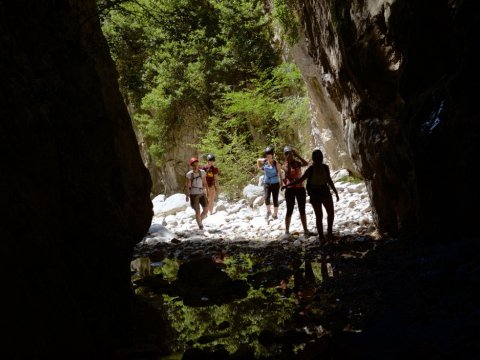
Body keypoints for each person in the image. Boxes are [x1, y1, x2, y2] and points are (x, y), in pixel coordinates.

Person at [281, 149, 339, 241]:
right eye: (287, 154)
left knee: (313, 212)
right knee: (291, 210)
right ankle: (322, 235)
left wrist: (297, 155)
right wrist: (287, 185)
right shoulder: (286, 165)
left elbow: (304, 172)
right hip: (304, 191)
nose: (319, 158)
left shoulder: (322, 167)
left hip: (309, 190)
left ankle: (322, 233)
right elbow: (291, 174)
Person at [282, 146, 314, 237]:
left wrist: (297, 155)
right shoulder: (284, 165)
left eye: (290, 153)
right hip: (290, 189)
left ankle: (306, 230)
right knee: (289, 209)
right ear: (285, 155)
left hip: (300, 188)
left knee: (302, 209)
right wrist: (288, 161)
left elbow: (306, 163)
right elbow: (288, 173)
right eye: (287, 153)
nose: (289, 155)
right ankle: (287, 231)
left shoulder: (297, 163)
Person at [256, 146, 282, 220]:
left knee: (275, 199)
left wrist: (282, 183)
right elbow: (258, 160)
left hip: (275, 183)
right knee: (267, 197)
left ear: (272, 155)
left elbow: (280, 173)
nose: (268, 157)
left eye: (269, 155)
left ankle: (275, 214)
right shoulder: (264, 161)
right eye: (267, 155)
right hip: (266, 182)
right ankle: (268, 212)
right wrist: (260, 168)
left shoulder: (275, 163)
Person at [185, 157, 209, 230]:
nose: (195, 166)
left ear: (198, 164)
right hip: (193, 195)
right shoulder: (189, 174)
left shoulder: (202, 172)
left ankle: (199, 221)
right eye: (193, 165)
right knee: (197, 211)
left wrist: (207, 192)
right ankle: (200, 226)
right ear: (191, 166)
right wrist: (187, 195)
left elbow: (205, 183)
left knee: (205, 210)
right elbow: (187, 185)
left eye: (196, 165)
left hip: (202, 193)